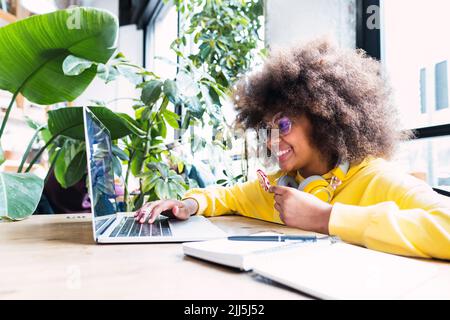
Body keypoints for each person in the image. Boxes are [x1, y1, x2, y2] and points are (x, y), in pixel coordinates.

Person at [135, 38, 450, 260]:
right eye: (268, 130)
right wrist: (187, 205)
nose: (272, 142)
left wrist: (326, 217)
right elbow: (226, 196)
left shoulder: (378, 179)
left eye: (283, 125)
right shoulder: (279, 187)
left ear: (323, 118)